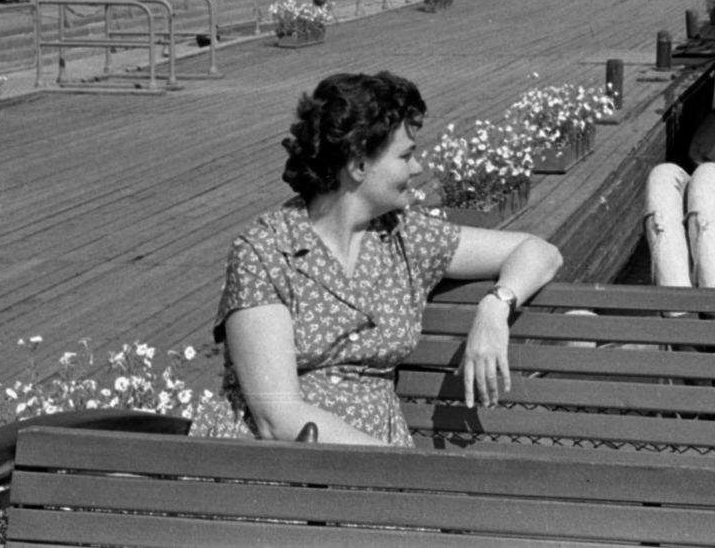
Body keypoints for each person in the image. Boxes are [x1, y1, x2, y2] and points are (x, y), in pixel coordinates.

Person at [199, 71, 562, 446]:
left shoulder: (404, 236)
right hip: (279, 466)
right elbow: (278, 418)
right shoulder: (266, 251)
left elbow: (540, 252)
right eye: (406, 155)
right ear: (358, 165)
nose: (418, 168)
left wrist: (495, 308)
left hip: (377, 472)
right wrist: (396, 468)